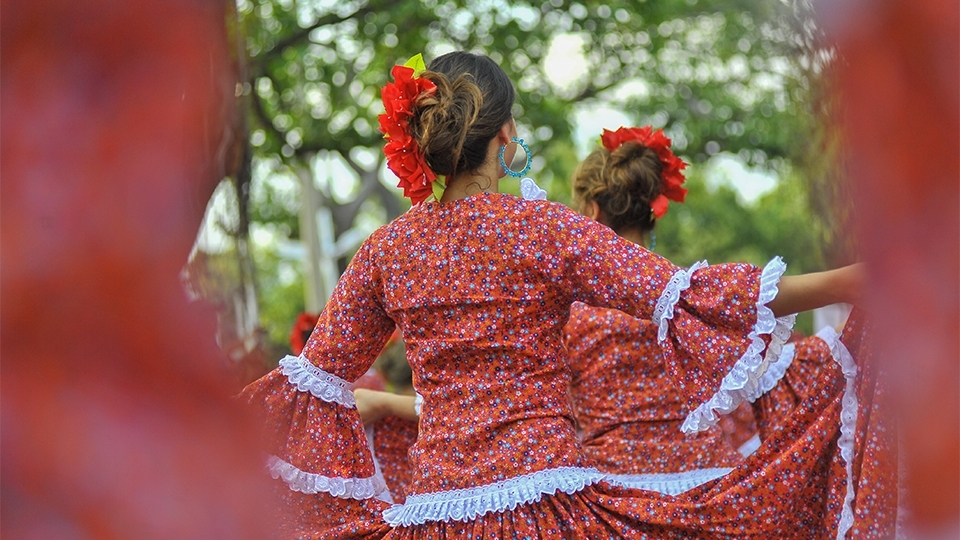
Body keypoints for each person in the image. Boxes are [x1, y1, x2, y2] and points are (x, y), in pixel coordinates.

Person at [240, 51, 865, 538]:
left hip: (436, 516)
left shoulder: (386, 249)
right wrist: (856, 280)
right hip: (548, 511)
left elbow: (311, 384)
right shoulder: (541, 229)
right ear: (506, 133)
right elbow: (688, 295)